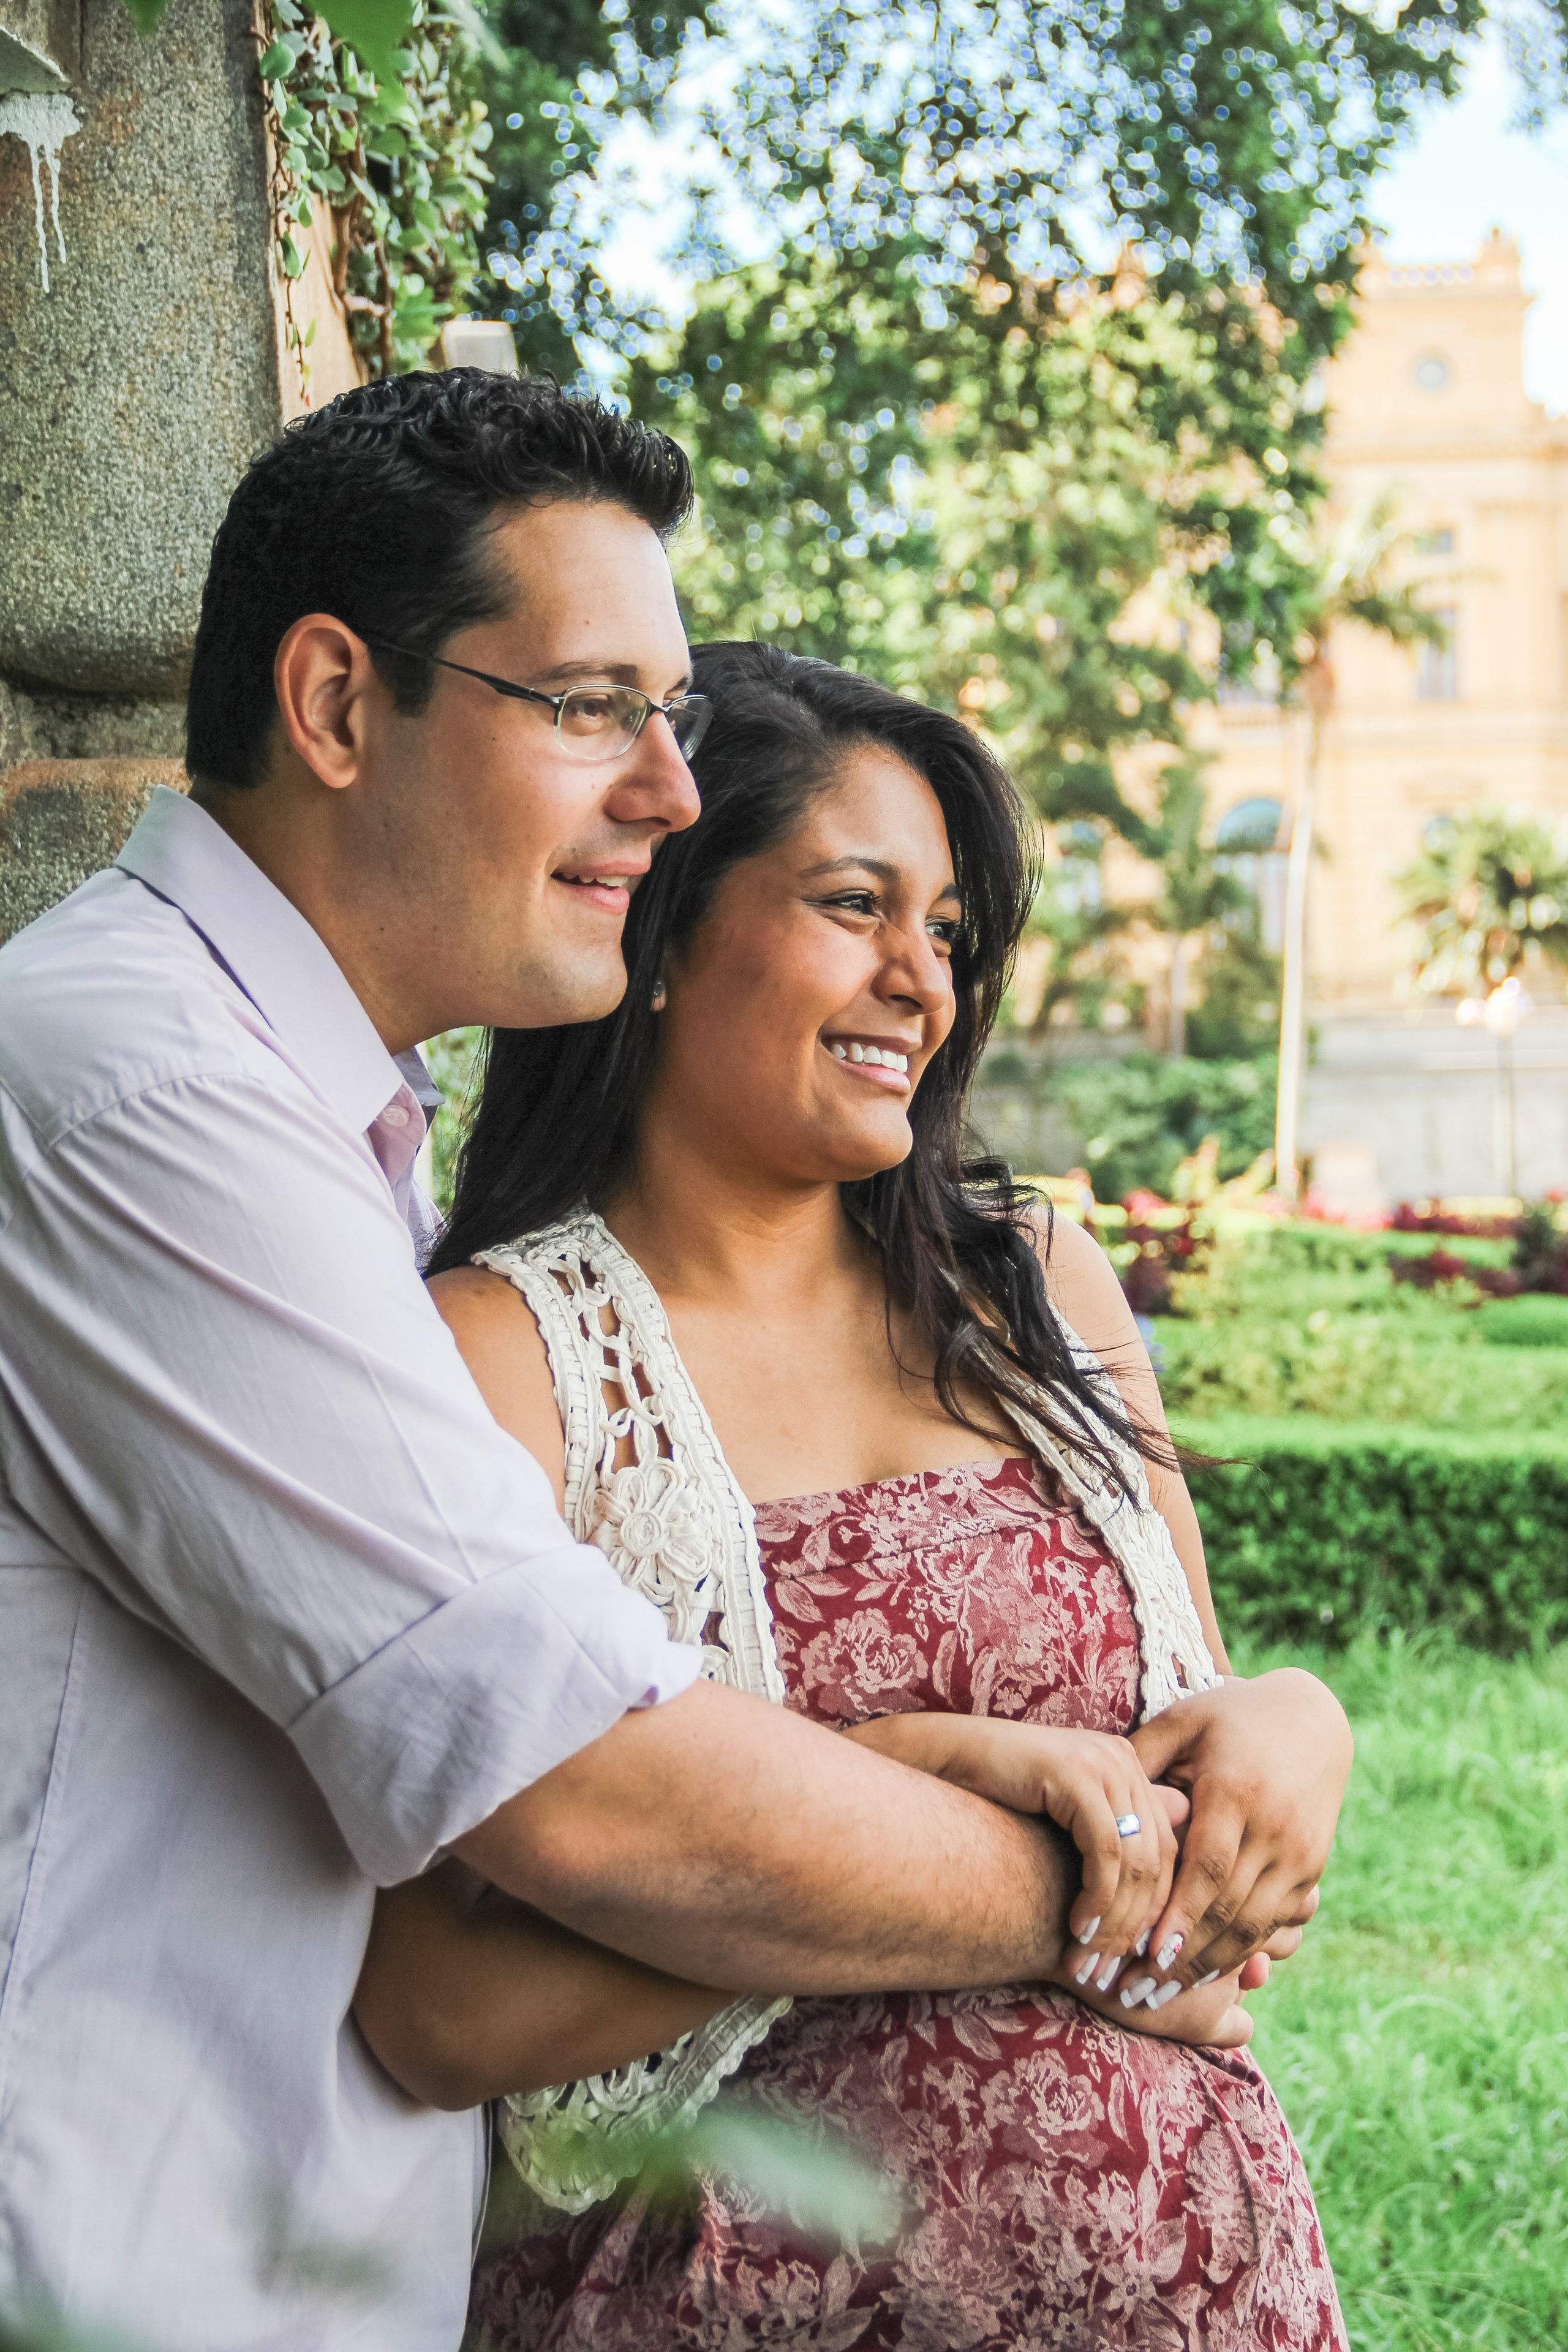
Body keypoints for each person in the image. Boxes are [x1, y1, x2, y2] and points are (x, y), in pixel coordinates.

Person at [0, 371, 1293, 2352]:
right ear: (339, 704)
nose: (670, 793)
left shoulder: (307, 1117)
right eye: (597, 708)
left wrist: (1275, 1735)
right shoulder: (145, 1097)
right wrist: (1112, 1887)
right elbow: (582, 1791)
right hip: (131, 2253)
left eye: (670, 721)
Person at [356, 641, 1354, 2349]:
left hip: (1197, 2285)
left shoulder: (1041, 1289)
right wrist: (909, 1810)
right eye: (852, 906)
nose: (923, 981)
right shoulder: (505, 1358)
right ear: (663, 938)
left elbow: (1195, 1735)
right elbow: (436, 2008)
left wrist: (1298, 1718)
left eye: (946, 933)